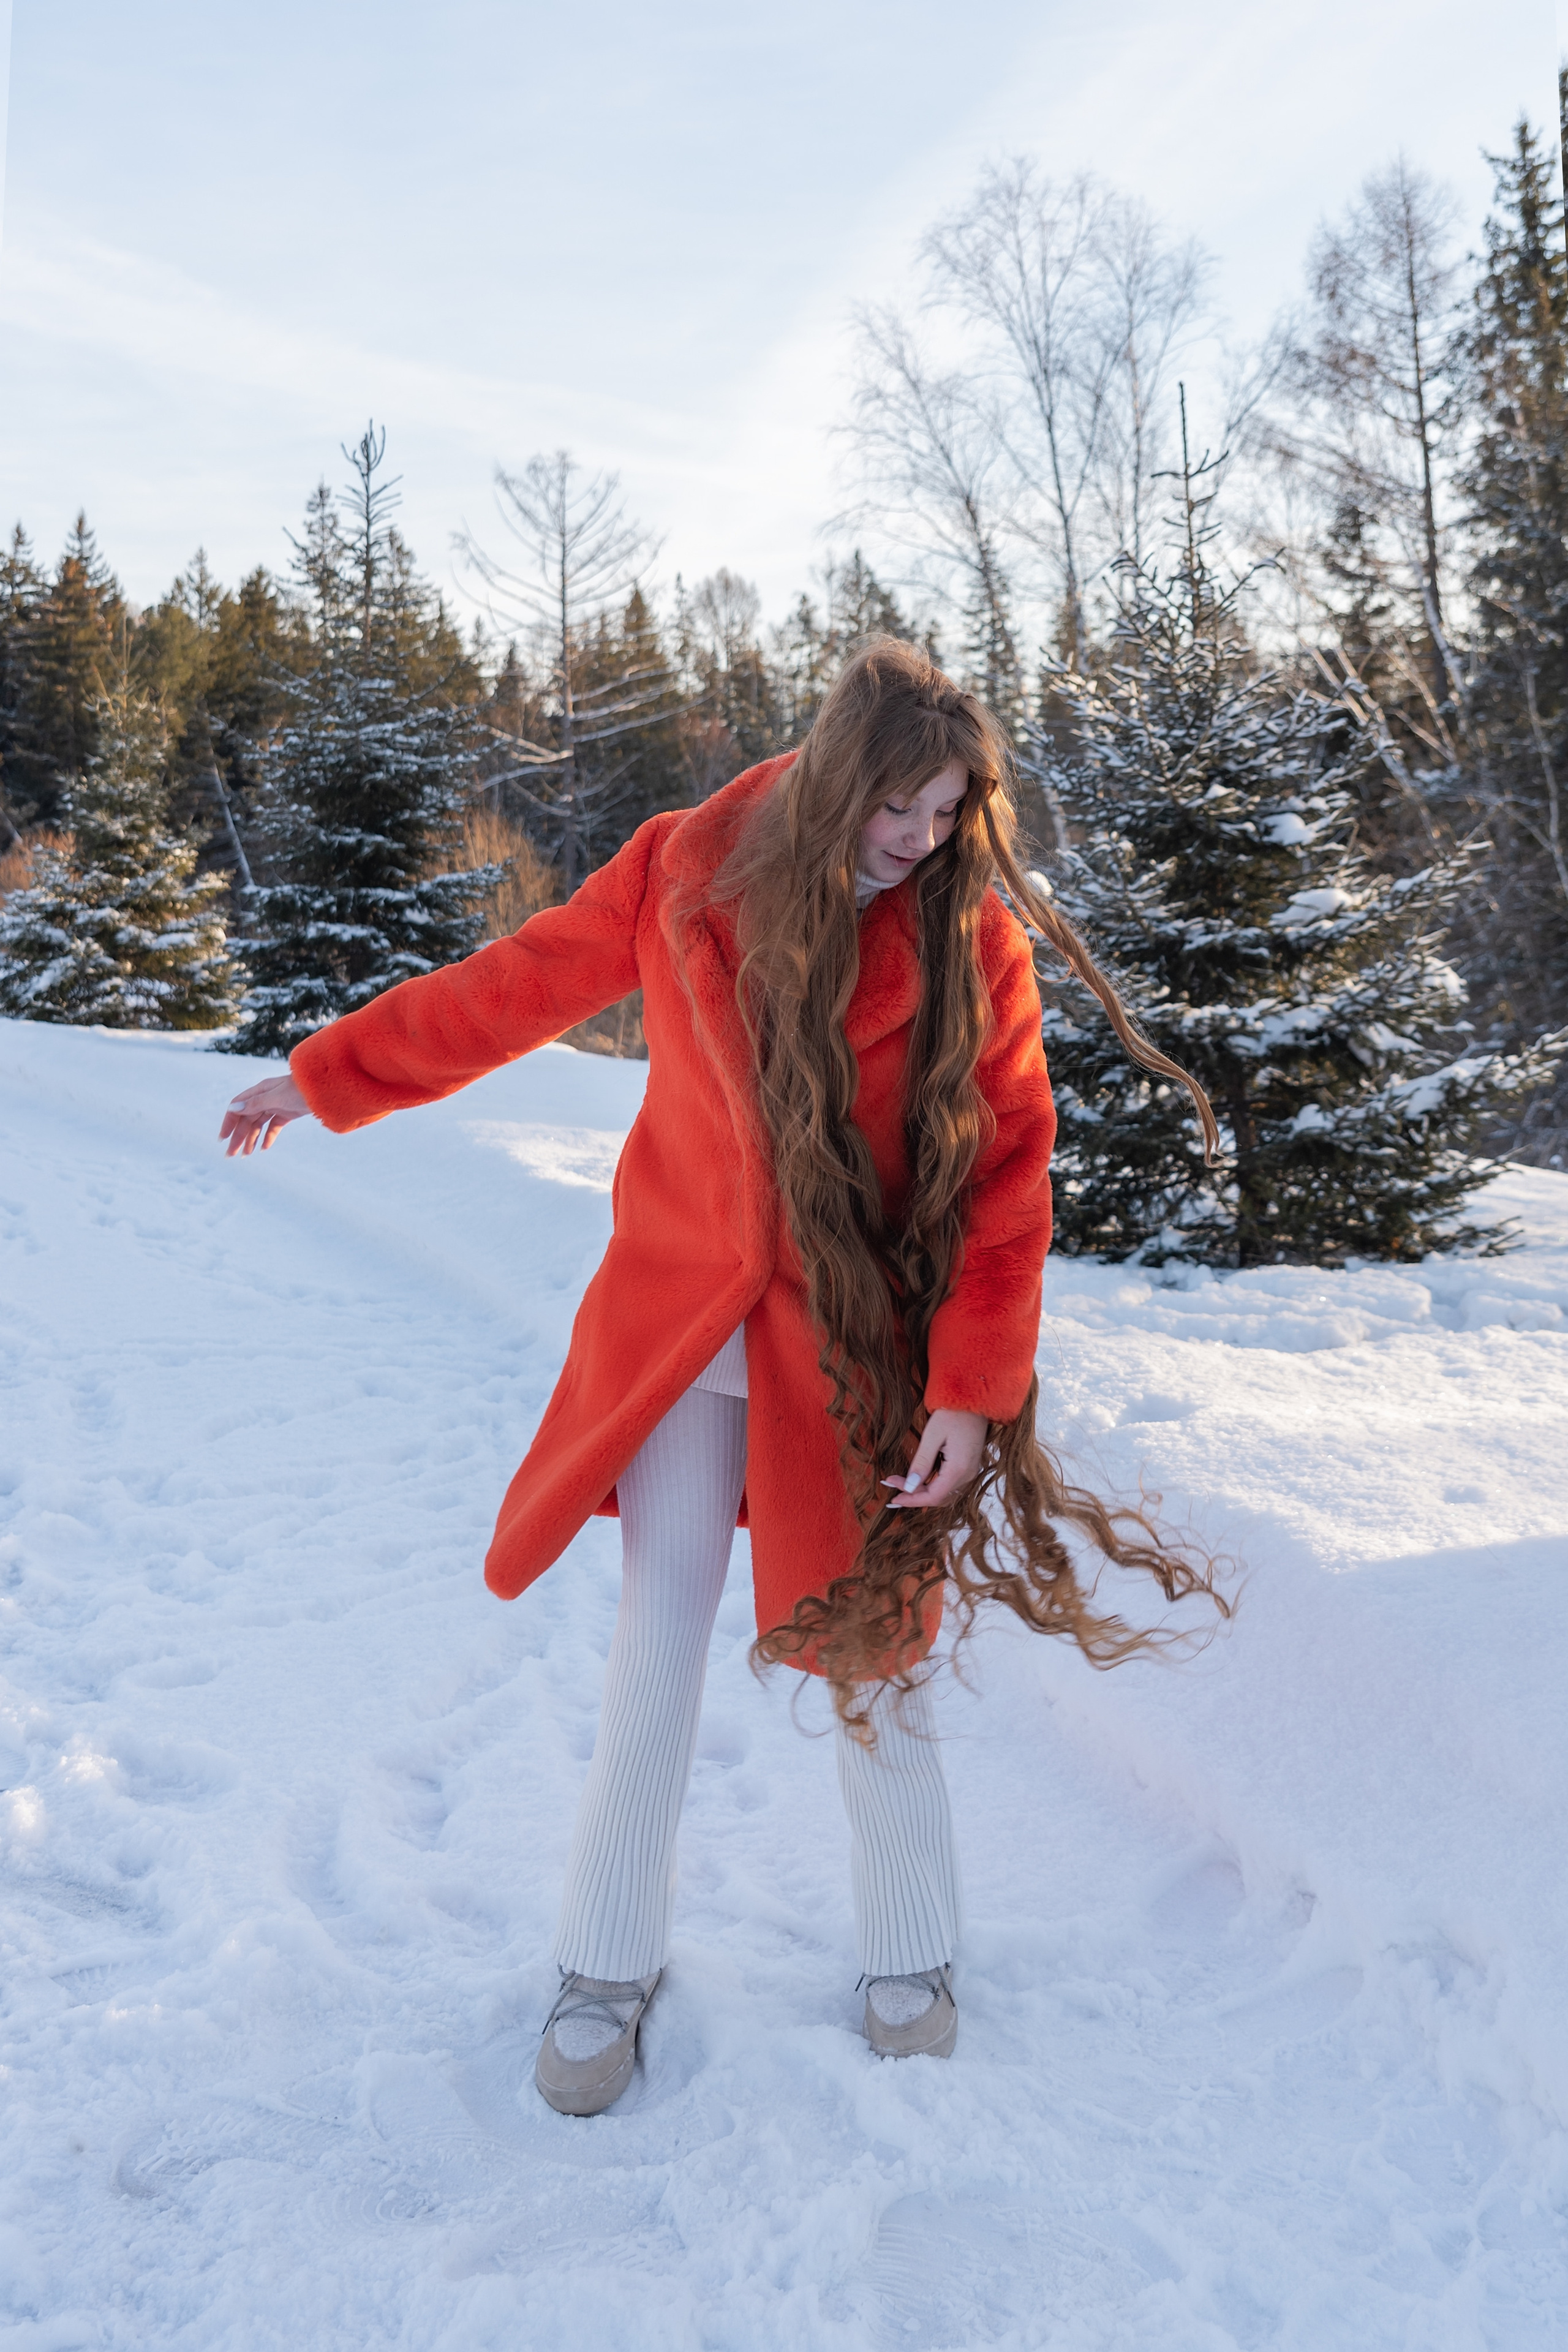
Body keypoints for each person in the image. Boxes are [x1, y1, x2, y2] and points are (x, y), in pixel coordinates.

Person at [221, 639, 1220, 2117]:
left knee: (869, 1650)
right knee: (657, 1650)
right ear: (833, 777)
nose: (921, 840)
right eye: (899, 808)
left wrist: (967, 1389)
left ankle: (913, 1951)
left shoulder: (968, 939)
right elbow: (510, 990)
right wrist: (323, 1075)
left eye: (948, 812)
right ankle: (603, 1967)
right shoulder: (681, 866)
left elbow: (1009, 1176)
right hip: (684, 1336)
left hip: (854, 1349)